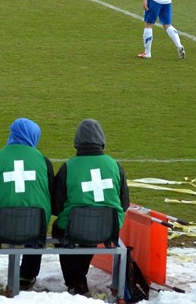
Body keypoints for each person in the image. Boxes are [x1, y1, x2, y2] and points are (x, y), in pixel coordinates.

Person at [0, 118, 53, 293]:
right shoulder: (43, 161)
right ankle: (26, 276)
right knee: (38, 227)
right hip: (35, 225)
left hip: (0, 225)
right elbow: (50, 197)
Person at [51, 119, 130, 297]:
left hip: (76, 226)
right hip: (109, 226)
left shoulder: (68, 167)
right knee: (91, 229)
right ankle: (78, 279)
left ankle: (76, 282)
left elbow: (56, 206)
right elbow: (124, 203)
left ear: (77, 140)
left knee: (62, 231)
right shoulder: (114, 165)